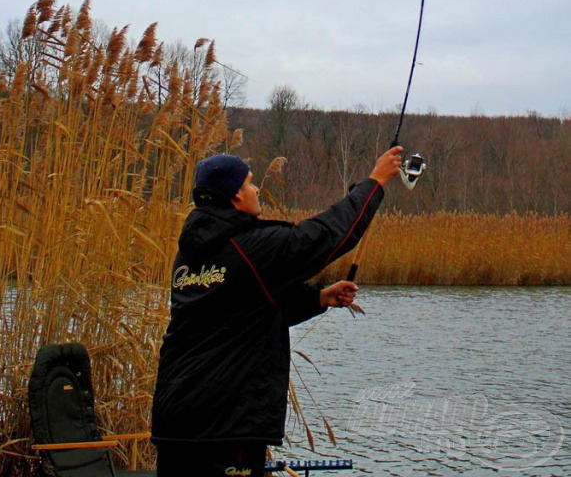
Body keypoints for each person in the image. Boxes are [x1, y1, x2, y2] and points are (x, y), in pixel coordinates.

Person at [151, 144, 403, 477]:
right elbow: (327, 235)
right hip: (226, 426)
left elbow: (238, 312)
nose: (256, 190)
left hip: (175, 424)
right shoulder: (253, 247)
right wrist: (376, 182)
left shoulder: (190, 254)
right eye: (251, 183)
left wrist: (317, 299)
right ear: (236, 197)